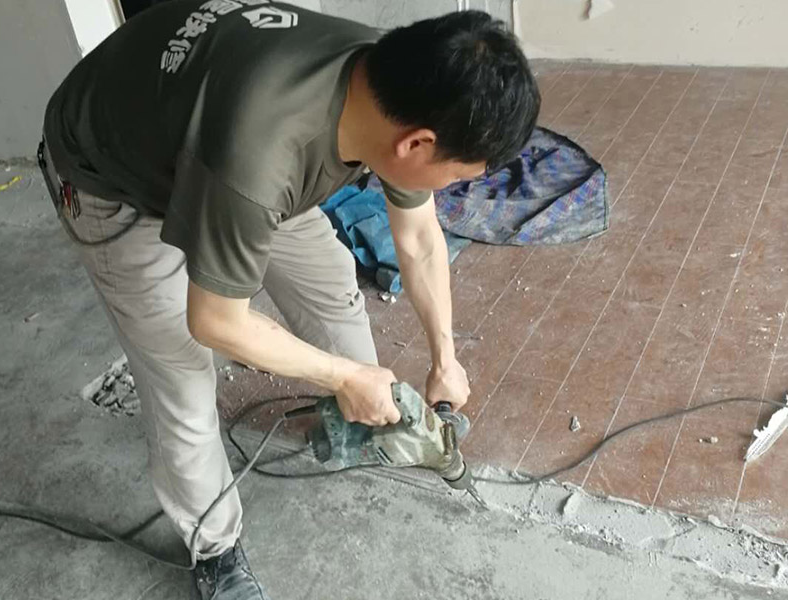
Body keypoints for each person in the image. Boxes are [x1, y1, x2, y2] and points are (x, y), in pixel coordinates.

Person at [40, 2, 540, 598]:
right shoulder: (259, 153)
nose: (454, 186)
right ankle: (215, 550)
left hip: (216, 142)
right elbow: (216, 321)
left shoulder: (401, 83)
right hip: (114, 174)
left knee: (329, 283)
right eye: (457, 176)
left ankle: (365, 417)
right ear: (416, 145)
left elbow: (419, 240)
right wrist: (343, 375)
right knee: (181, 376)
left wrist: (444, 358)